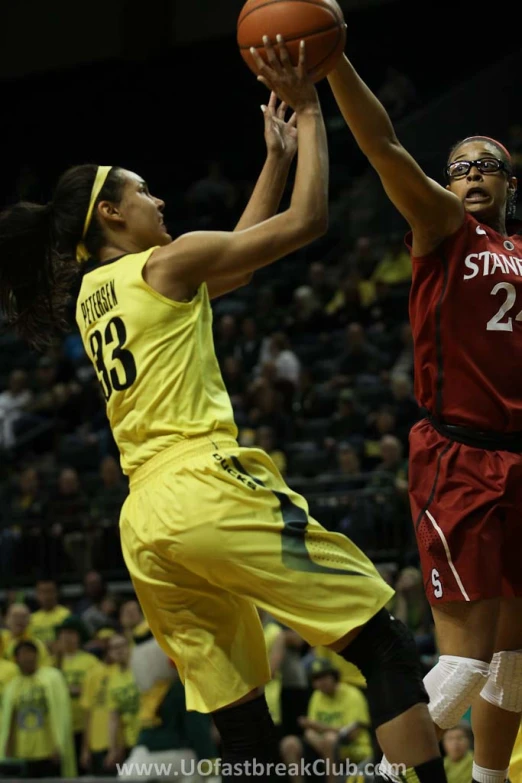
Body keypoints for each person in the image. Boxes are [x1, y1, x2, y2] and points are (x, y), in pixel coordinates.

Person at [0, 37, 445, 782]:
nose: (161, 200)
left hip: (145, 524)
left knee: (240, 723)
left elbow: (233, 258)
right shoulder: (165, 263)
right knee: (384, 643)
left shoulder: (91, 297)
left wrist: (271, 162)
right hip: (205, 483)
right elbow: (305, 225)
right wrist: (308, 115)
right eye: (145, 193)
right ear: (111, 212)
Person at [328, 43, 522, 783]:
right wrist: (336, 60)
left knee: (514, 659)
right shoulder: (443, 226)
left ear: (510, 181)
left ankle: (491, 779)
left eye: (485, 165)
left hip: (518, 455)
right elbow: (382, 145)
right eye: (460, 165)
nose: (470, 174)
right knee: (468, 664)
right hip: (460, 456)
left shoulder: (518, 249)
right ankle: (375, 773)